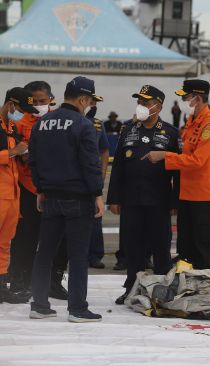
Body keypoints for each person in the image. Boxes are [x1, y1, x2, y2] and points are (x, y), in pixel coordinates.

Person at [28, 76, 105, 322]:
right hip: (78, 198)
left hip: (50, 197)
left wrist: (40, 189)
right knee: (78, 255)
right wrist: (97, 194)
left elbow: (34, 161)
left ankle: (39, 305)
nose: (89, 105)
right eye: (89, 101)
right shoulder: (83, 125)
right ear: (83, 99)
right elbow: (91, 164)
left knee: (44, 253)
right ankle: (77, 309)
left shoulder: (42, 124)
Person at [142, 79, 210, 269]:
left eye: (185, 97)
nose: (183, 101)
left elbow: (197, 160)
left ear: (196, 99)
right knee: (186, 244)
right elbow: (184, 151)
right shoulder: (192, 121)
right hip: (187, 192)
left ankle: (207, 283)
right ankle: (187, 279)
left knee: (204, 245)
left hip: (203, 194)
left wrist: (165, 156)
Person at [108, 85, 179, 304]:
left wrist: (175, 201)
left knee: (161, 248)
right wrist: (114, 198)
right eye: (139, 102)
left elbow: (178, 172)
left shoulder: (170, 132)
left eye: (146, 103)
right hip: (131, 200)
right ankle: (131, 288)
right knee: (133, 247)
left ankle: (163, 292)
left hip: (158, 200)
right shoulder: (128, 129)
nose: (141, 107)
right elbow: (118, 165)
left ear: (159, 106)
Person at [9, 81, 62, 298]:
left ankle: (54, 281)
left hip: (55, 187)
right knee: (24, 237)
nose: (39, 105)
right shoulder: (19, 123)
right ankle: (20, 279)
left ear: (51, 98)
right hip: (27, 188)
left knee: (57, 238)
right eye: (34, 102)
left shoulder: (61, 121)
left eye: (43, 101)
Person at [0, 87, 34, 304]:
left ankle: (2, 288)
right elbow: (10, 153)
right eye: (21, 109)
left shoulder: (12, 128)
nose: (23, 115)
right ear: (11, 104)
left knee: (4, 244)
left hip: (12, 194)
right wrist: (13, 152)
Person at [86, 98, 110, 271]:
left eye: (95, 104)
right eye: (90, 102)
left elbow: (104, 150)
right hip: (73, 179)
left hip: (93, 178)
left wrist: (101, 175)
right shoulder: (70, 121)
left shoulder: (98, 125)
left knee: (96, 217)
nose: (93, 106)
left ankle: (95, 254)